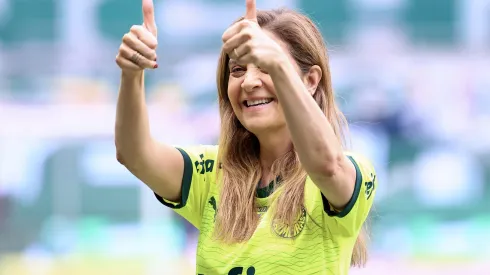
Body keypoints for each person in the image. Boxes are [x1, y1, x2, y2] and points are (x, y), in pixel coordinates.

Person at [114, 0, 377, 274]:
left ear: (310, 80)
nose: (249, 82)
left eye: (264, 67)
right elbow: (134, 154)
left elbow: (327, 165)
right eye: (237, 70)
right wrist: (131, 74)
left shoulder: (351, 171)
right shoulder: (210, 173)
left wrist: (277, 64)